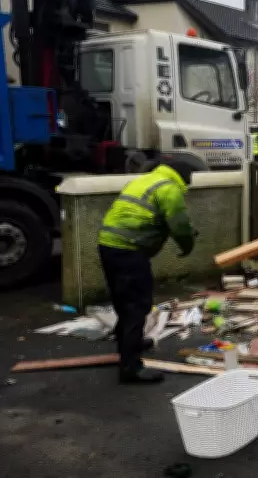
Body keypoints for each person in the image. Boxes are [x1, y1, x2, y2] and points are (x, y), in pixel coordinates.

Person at [97, 158, 198, 384]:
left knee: (124, 300)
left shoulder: (145, 180)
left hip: (109, 245)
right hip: (128, 251)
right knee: (136, 305)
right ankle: (130, 368)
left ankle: (129, 342)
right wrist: (187, 246)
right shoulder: (169, 189)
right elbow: (180, 226)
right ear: (184, 178)